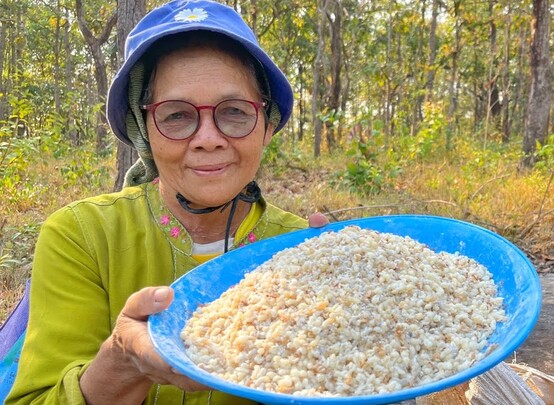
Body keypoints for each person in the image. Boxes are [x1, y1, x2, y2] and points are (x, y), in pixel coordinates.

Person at [6, 1, 327, 403]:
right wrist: (123, 360)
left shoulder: (301, 248)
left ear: (266, 124)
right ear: (145, 132)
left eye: (234, 112)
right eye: (176, 116)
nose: (208, 137)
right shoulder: (83, 237)